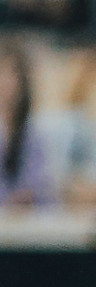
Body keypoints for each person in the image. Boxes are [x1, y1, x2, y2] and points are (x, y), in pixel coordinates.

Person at [0, 40, 52, 205]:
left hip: (25, 218)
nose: (7, 83)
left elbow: (41, 184)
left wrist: (29, 196)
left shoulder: (31, 134)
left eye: (13, 74)